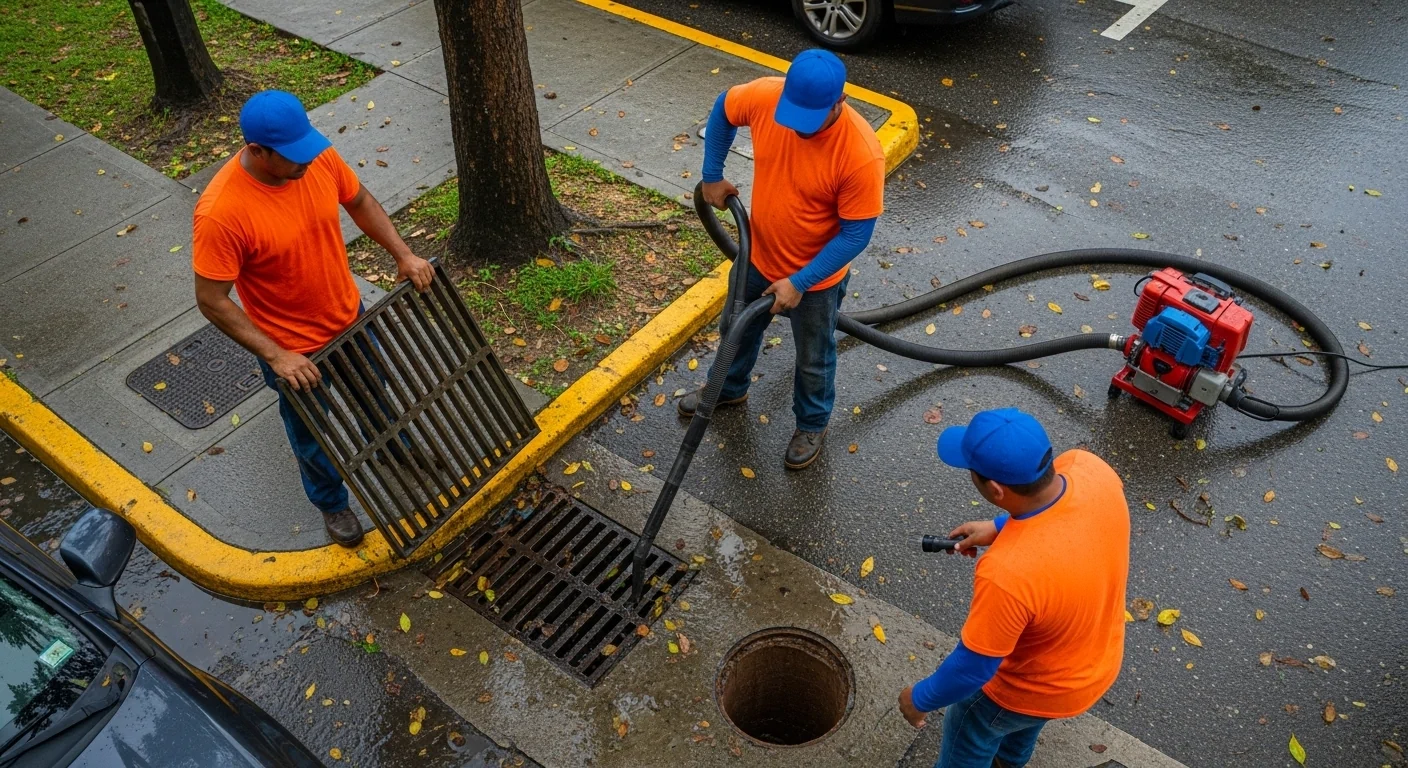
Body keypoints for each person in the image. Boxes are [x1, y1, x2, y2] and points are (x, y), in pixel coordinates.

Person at [192, 90, 434, 547]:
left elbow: (359, 200)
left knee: (373, 392)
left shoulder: (313, 157)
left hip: (348, 315)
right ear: (257, 151)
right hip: (292, 348)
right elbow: (211, 299)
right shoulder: (222, 213)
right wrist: (276, 355)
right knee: (311, 432)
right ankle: (331, 503)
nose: (306, 161)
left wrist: (403, 253)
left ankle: (389, 449)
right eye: (292, 156)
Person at [898, 408, 1131, 768]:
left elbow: (972, 669)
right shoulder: (1090, 469)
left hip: (1024, 689)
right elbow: (1057, 512)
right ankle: (1008, 763)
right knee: (1020, 726)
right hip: (1090, 667)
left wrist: (918, 698)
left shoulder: (1007, 573)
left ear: (995, 489)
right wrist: (999, 526)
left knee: (974, 729)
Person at [687, 49, 884, 470]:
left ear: (839, 102)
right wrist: (712, 172)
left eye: (809, 119)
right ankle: (729, 386)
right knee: (734, 327)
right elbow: (723, 108)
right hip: (757, 252)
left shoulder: (860, 153)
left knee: (813, 356)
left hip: (815, 279)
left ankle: (812, 423)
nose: (797, 129)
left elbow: (856, 235)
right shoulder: (765, 96)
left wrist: (800, 281)